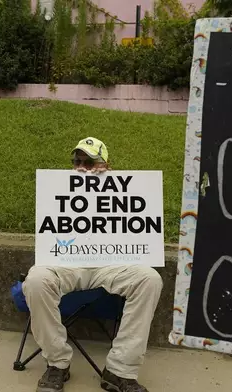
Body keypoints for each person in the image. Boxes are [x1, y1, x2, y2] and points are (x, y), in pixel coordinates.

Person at [23, 136, 164, 392]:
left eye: (90, 162)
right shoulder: (58, 186)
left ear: (106, 164)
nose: (82, 167)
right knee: (35, 280)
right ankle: (57, 364)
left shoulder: (126, 186)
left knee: (150, 279)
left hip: (111, 262)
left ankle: (120, 371)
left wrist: (108, 181)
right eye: (77, 161)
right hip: (67, 262)